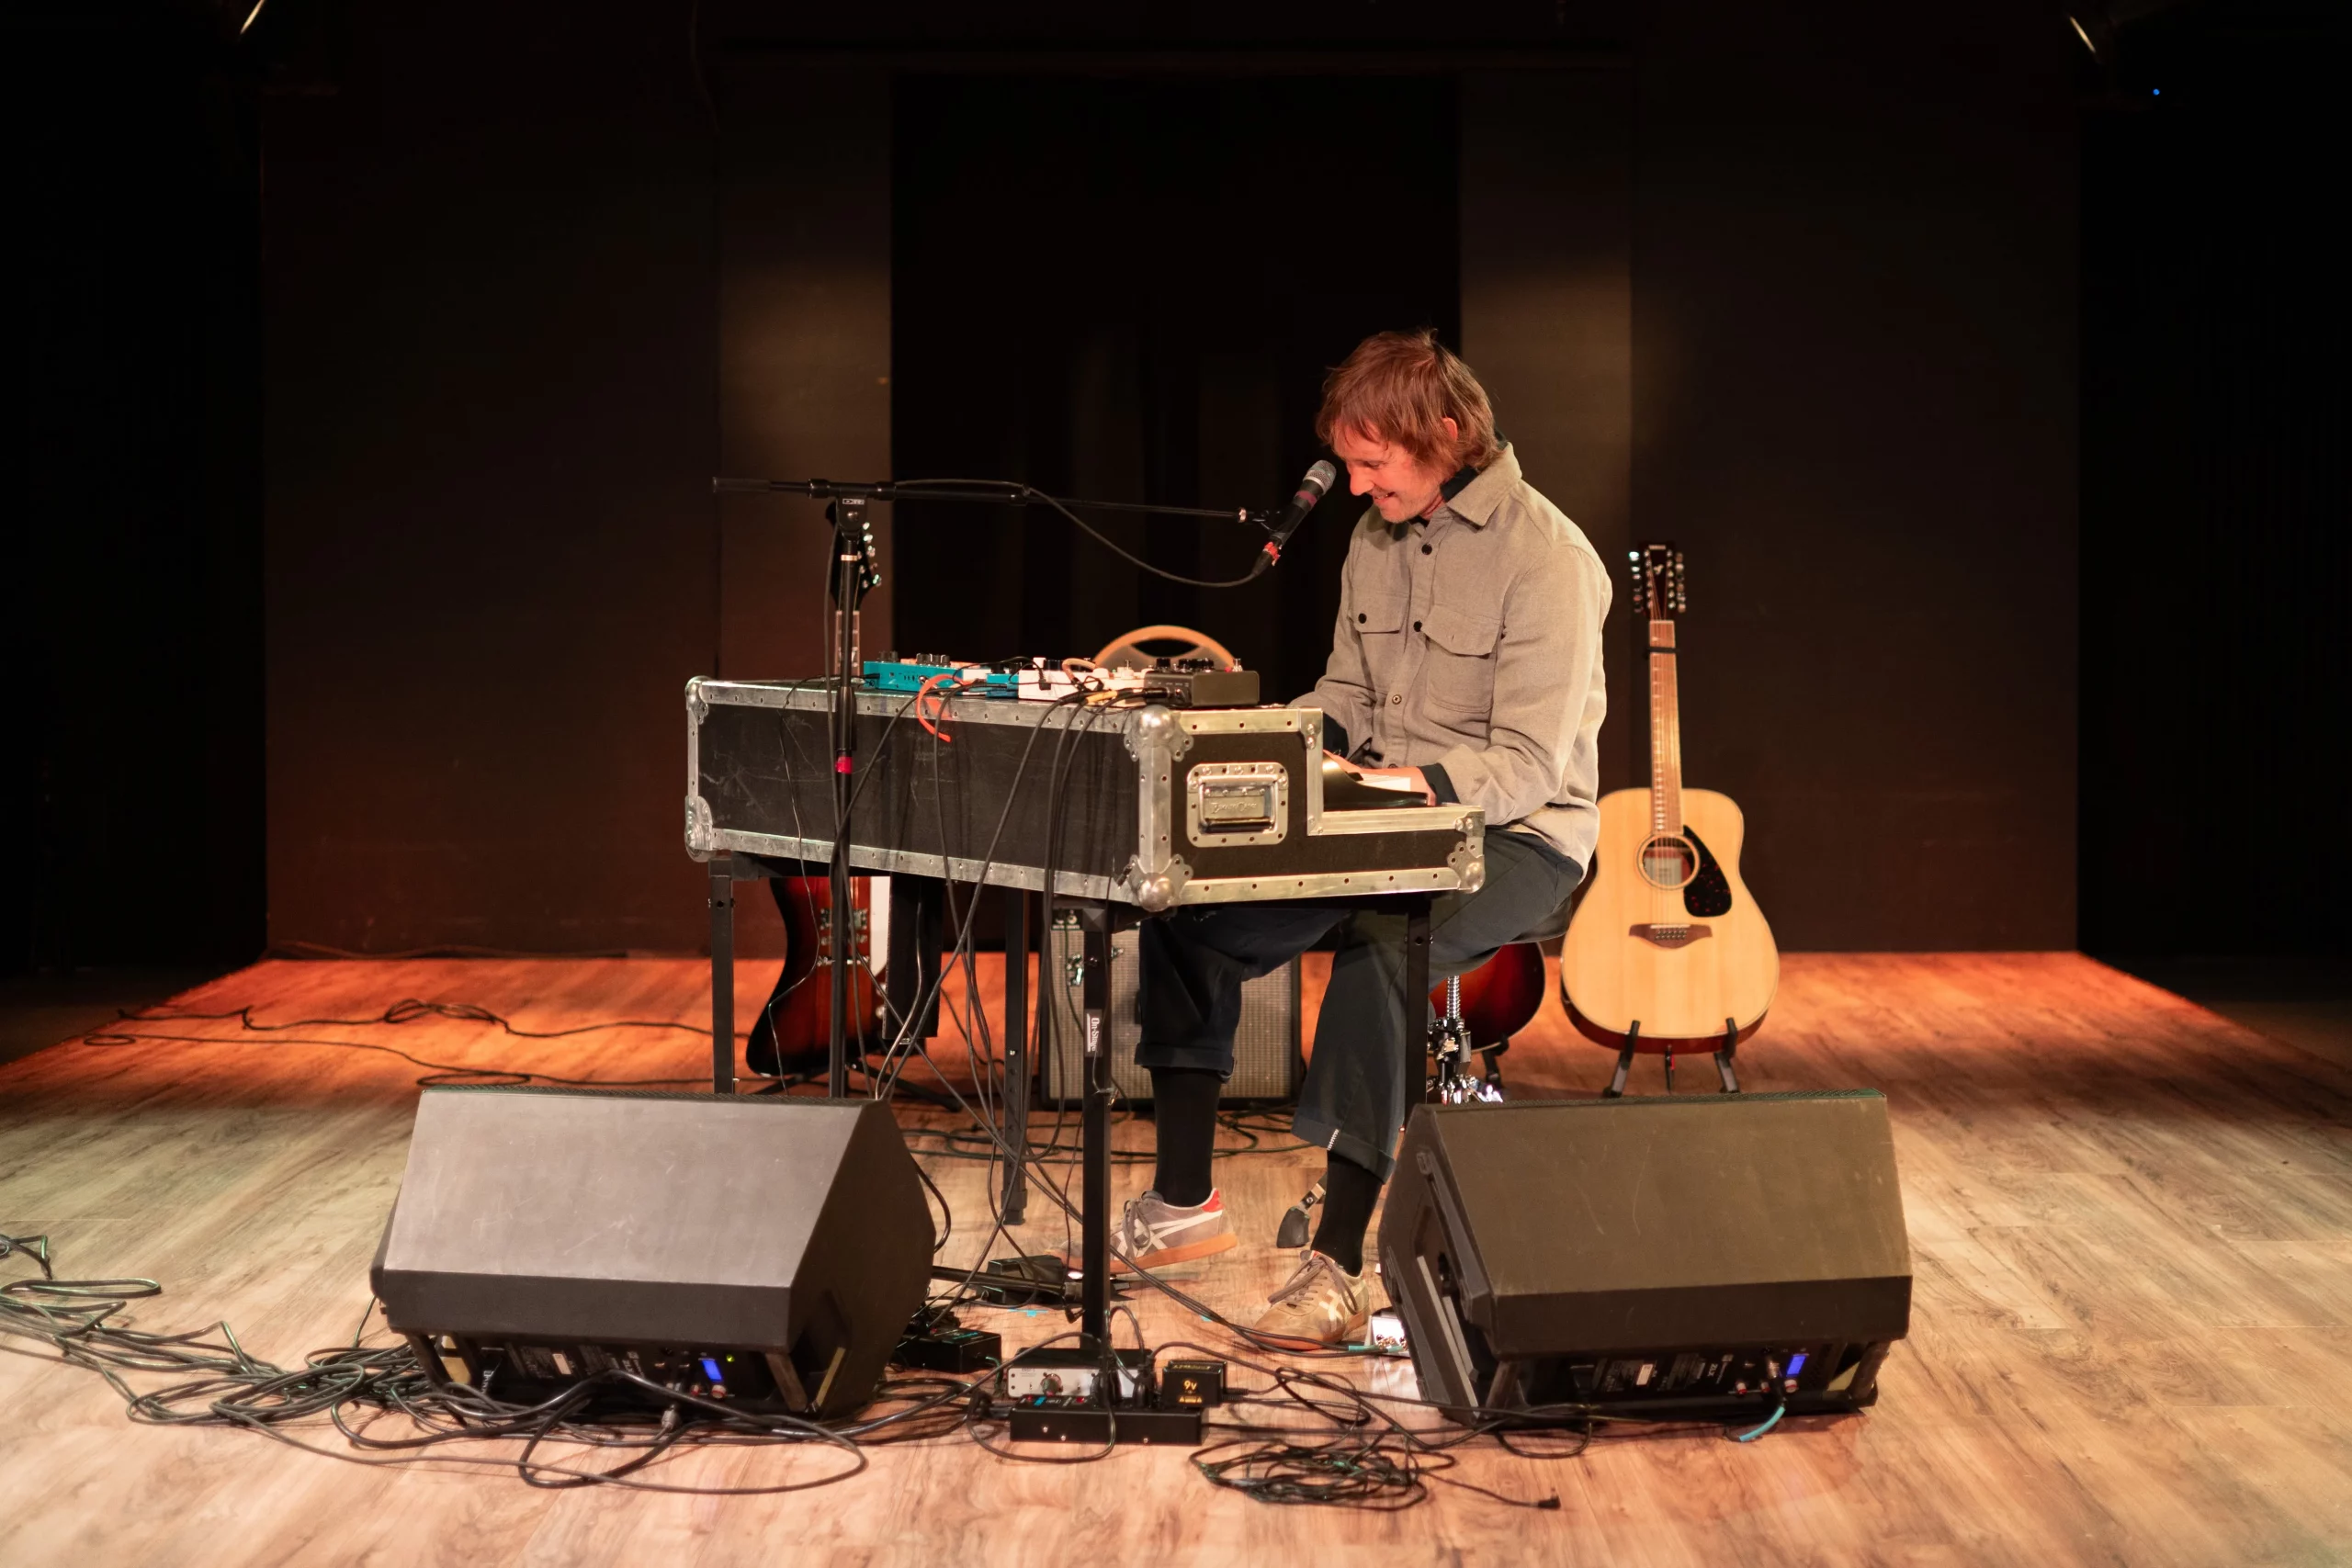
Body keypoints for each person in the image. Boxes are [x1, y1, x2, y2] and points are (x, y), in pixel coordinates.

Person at [1126, 328, 1612, 1346]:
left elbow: (1529, 762)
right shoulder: (1375, 538)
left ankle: (1339, 1266)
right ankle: (1183, 1203)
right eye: (1347, 465)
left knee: (1388, 946)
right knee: (1188, 908)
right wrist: (1274, 747)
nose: (1353, 486)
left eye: (1370, 462)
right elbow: (1347, 693)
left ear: (1445, 433)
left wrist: (1409, 783)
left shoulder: (1549, 558)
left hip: (1518, 835)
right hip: (1382, 817)